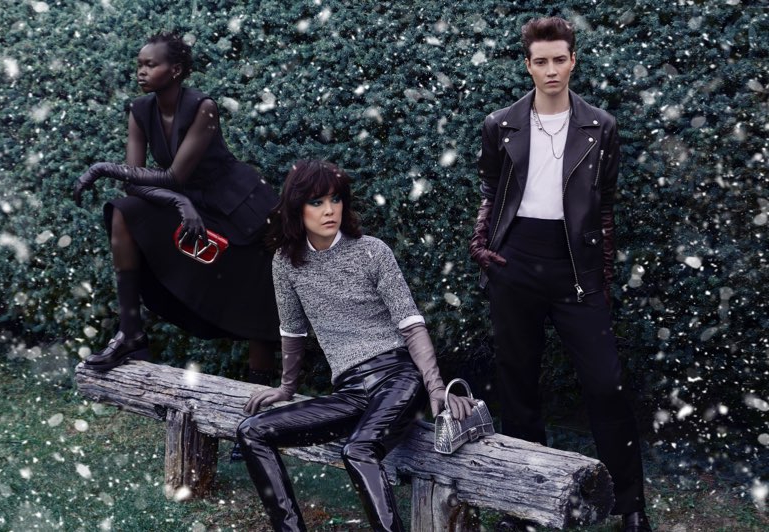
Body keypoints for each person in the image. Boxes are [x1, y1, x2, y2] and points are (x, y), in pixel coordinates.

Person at [468, 17, 652, 532]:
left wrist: (601, 278)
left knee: (606, 384)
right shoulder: (500, 123)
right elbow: (491, 189)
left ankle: (629, 507)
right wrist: (482, 244)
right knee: (519, 385)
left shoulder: (600, 126)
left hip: (577, 266)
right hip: (516, 261)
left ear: (574, 60)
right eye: (540, 61)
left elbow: (606, 205)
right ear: (527, 65)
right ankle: (525, 506)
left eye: (559, 59)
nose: (551, 70)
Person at [237, 160, 475, 532]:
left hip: (398, 378)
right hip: (349, 391)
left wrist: (433, 385)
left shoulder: (372, 251)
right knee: (252, 431)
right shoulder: (285, 262)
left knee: (358, 451)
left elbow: (411, 324)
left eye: (335, 199)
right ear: (297, 207)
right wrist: (286, 387)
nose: (329, 210)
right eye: (316, 202)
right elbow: (293, 330)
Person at [73, 32, 279, 385]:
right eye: (139, 64)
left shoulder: (203, 108)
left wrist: (103, 167)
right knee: (124, 210)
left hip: (243, 209)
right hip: (192, 203)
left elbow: (174, 174)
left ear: (177, 70)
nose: (140, 71)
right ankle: (131, 334)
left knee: (260, 305)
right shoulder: (140, 111)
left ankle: (259, 394)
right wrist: (179, 202)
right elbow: (134, 182)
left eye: (150, 65)